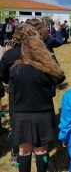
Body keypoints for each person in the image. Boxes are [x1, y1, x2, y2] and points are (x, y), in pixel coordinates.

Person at [10, 37, 65, 172]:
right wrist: (51, 58)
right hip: (43, 114)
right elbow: (61, 76)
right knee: (41, 150)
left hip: (21, 114)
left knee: (24, 151)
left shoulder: (15, 70)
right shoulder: (47, 70)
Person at [0, 24, 39, 165]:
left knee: (16, 122)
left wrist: (11, 82)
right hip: (35, 91)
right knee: (34, 120)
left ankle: (16, 152)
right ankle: (35, 150)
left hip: (15, 92)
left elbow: (2, 75)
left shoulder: (9, 55)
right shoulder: (37, 53)